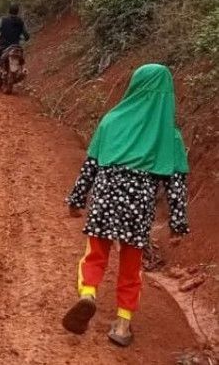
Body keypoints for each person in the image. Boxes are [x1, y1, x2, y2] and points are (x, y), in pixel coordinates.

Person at [62, 64, 190, 347]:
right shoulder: (169, 135)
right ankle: (122, 325)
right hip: (139, 208)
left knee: (95, 254)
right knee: (131, 265)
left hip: (105, 200)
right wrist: (177, 226)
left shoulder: (111, 121)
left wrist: (76, 200)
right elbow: (176, 185)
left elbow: (90, 167)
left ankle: (88, 294)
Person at [0, 3, 30, 92]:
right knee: (22, 62)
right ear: (17, 12)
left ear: (9, 11)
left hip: (3, 46)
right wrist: (22, 38)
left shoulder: (3, 20)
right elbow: (27, 36)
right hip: (16, 47)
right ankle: (23, 75)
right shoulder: (21, 22)